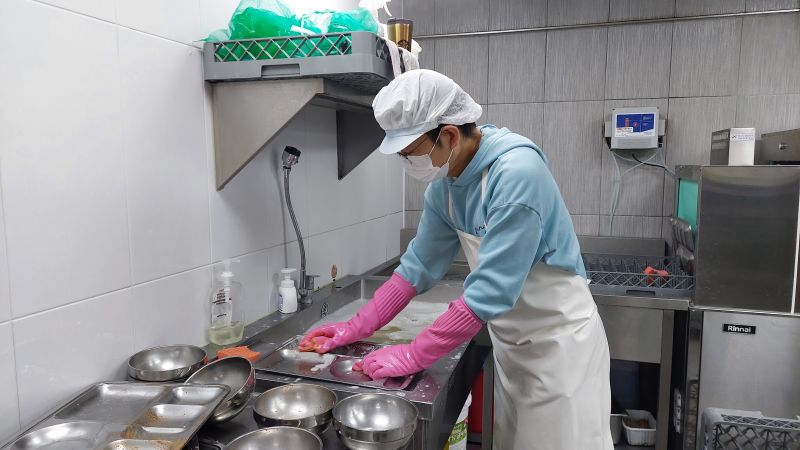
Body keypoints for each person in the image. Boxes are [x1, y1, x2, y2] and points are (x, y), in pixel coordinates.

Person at [299, 69, 613, 449]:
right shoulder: (446, 187)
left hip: (560, 349)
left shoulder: (517, 175)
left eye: (410, 152)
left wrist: (414, 354)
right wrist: (356, 326)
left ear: (448, 135)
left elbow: (488, 292)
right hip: (514, 349)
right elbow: (417, 267)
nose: (407, 163)